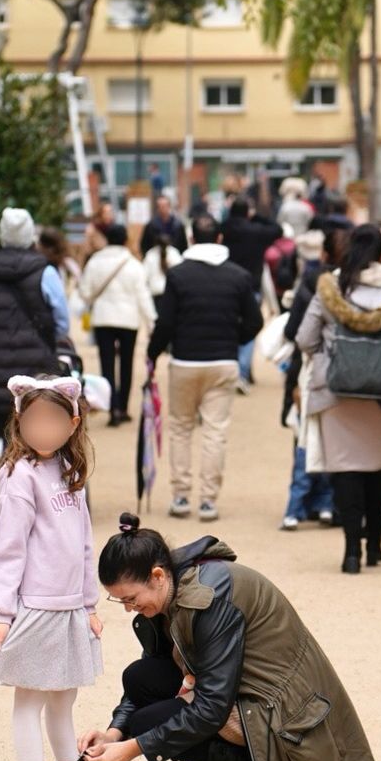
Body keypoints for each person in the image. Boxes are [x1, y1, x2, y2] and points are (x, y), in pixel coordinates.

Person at [79, 514, 379, 761]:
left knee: (148, 725)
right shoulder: (170, 588)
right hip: (248, 696)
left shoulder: (208, 598)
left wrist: (132, 748)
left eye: (131, 598)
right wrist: (115, 733)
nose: (130, 608)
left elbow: (212, 707)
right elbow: (151, 674)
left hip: (289, 724)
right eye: (121, 602)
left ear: (157, 575)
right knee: (139, 677)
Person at [0, 375, 123, 761]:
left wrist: (88, 604)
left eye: (52, 420)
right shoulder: (19, 477)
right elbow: (8, 548)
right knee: (30, 702)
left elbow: (84, 543)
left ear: (72, 424)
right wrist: (0, 612)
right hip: (36, 608)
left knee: (63, 702)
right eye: (33, 420)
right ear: (19, 423)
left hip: (67, 608)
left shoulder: (68, 471)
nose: (42, 429)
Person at [295, 224, 381, 574]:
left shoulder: (329, 290)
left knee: (345, 471)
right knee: (377, 468)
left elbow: (304, 338)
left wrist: (328, 354)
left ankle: (351, 552)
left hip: (336, 393)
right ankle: (374, 546)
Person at [147, 215, 263, 523]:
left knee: (181, 428)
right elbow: (255, 321)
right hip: (223, 361)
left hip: (185, 361)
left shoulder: (178, 275)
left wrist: (152, 353)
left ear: (191, 239)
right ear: (221, 238)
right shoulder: (238, 276)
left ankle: (181, 495)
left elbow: (166, 322)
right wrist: (233, 341)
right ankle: (208, 500)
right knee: (215, 432)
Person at [0, 208, 72, 464]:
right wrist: (49, 339)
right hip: (36, 364)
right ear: (30, 235)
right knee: (35, 420)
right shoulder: (45, 272)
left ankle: (5, 477)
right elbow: (61, 320)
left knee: (2, 419)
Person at [278, 229, 337, 531]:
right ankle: (326, 503)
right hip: (338, 378)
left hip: (307, 374)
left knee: (303, 444)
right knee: (331, 443)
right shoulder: (346, 288)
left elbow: (295, 334)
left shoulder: (310, 284)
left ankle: (298, 507)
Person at [78, 223, 155, 426]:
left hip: (103, 318)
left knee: (107, 365)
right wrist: (152, 322)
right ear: (125, 240)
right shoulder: (133, 264)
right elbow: (143, 296)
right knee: (127, 363)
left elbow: (85, 292)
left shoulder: (95, 261)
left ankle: (111, 408)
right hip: (128, 320)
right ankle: (123, 407)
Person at [220, 197, 282, 390]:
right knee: (250, 328)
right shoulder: (257, 231)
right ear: (248, 212)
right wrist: (258, 217)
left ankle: (230, 369)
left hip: (225, 284)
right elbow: (278, 229)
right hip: (251, 285)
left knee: (227, 328)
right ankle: (243, 372)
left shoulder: (224, 228)